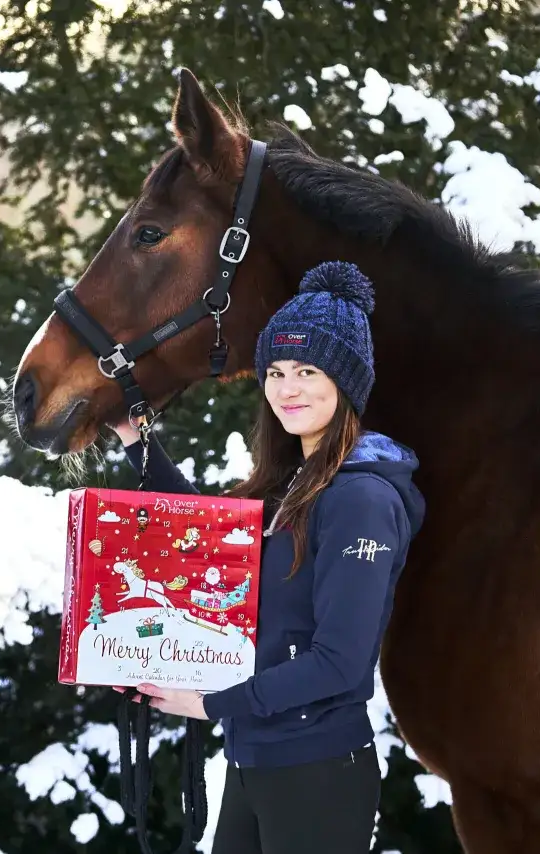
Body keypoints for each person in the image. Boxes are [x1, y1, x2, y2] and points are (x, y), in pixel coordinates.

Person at [110, 260, 426, 854]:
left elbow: (339, 662)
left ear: (346, 383)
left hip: (317, 771)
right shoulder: (289, 486)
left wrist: (211, 703)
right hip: (254, 757)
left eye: (307, 371)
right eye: (276, 371)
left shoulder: (361, 500)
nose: (287, 389)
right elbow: (206, 540)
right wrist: (137, 442)